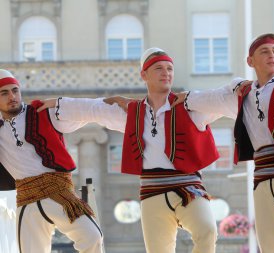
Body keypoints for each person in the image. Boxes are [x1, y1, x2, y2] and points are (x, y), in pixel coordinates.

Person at [37, 47, 219, 253]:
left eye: (169, 68)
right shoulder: (133, 112)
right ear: (144, 74)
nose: (166, 73)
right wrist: (59, 104)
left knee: (207, 230)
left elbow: (221, 99)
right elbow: (94, 108)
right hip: (153, 190)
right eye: (158, 68)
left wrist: (242, 87)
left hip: (189, 187)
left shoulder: (190, 106)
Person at [172, 33, 274, 253]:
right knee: (269, 242)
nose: (272, 55)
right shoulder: (242, 94)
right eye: (264, 51)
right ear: (250, 61)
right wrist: (187, 98)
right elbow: (213, 98)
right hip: (262, 177)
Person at [0, 69, 103, 253]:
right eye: (4, 93)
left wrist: (118, 102)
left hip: (59, 193)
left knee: (92, 236)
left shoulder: (43, 112)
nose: (12, 96)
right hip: (27, 200)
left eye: (15, 90)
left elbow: (88, 111)